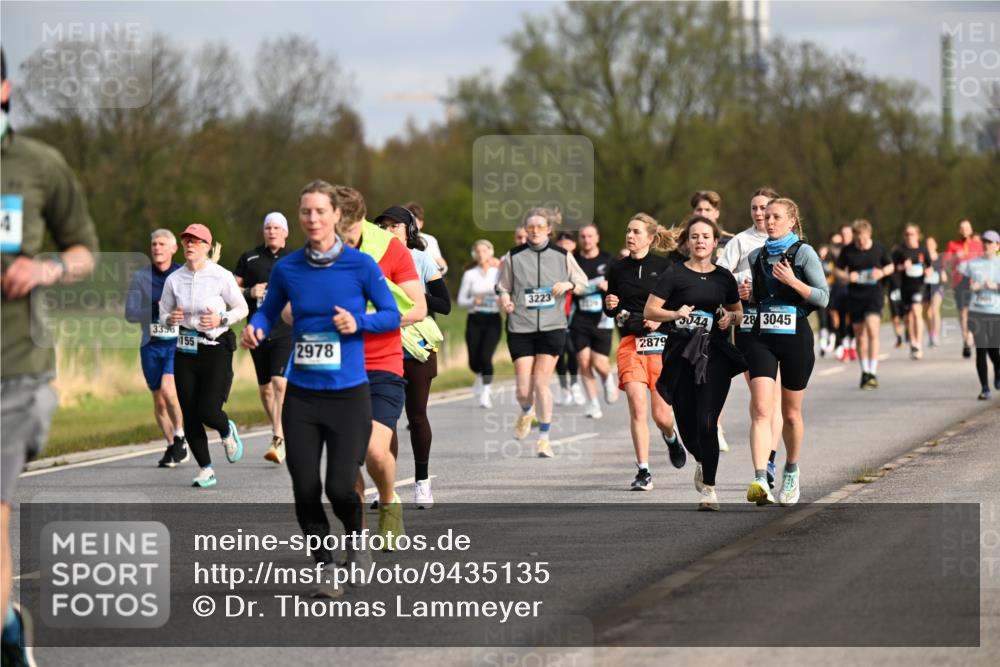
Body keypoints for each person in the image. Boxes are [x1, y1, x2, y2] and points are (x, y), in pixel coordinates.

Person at [242, 181, 400, 595]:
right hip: (303, 396)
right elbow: (269, 313)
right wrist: (254, 330)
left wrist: (359, 323)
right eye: (306, 212)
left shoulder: (361, 266)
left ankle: (356, 540)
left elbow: (390, 315)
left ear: (335, 216)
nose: (312, 219)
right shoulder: (288, 268)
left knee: (339, 486)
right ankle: (325, 565)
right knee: (306, 487)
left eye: (320, 211)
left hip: (349, 395)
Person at [1, 46, 99, 664]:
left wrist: (45, 266)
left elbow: (85, 248)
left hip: (14, 371)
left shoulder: (37, 165)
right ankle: (9, 625)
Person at [335, 190, 426, 547]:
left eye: (344, 223)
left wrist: (366, 322)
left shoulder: (390, 249)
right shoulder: (320, 253)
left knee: (375, 451)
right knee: (347, 459)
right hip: (337, 366)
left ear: (358, 219)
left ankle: (389, 500)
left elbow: (418, 309)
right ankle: (356, 537)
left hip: (381, 362)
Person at [644, 216, 745, 510]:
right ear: (687, 242)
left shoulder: (723, 277)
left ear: (715, 242)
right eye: (695, 236)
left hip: (713, 353)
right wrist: (675, 315)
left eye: (705, 236)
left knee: (707, 421)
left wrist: (729, 318)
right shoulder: (674, 274)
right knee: (687, 424)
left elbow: (736, 313)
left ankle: (710, 490)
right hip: (680, 354)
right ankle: (701, 459)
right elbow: (652, 309)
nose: (700, 241)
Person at [742, 198, 829, 507]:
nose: (769, 222)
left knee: (790, 413)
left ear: (791, 221)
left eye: (776, 217)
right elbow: (756, 300)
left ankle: (791, 470)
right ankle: (760, 477)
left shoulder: (804, 253)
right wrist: (748, 296)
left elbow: (823, 297)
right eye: (766, 217)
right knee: (762, 409)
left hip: (795, 337)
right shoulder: (756, 256)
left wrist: (793, 281)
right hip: (762, 337)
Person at [159, 224, 248, 487]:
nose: (189, 245)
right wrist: (170, 318)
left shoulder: (220, 276)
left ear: (207, 247)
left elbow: (241, 308)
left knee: (208, 410)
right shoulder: (174, 279)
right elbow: (163, 314)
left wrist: (221, 318)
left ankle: (225, 428)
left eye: (196, 241)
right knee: (189, 413)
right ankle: (206, 469)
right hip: (185, 349)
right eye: (186, 240)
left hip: (215, 348)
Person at [496, 207, 588, 457]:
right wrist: (505, 300)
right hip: (520, 327)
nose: (535, 231)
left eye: (540, 226)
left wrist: (567, 284)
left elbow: (582, 283)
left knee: (540, 382)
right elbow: (502, 287)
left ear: (549, 229)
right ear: (525, 230)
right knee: (523, 390)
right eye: (530, 226)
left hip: (552, 327)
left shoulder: (562, 255)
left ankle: (544, 439)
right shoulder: (513, 256)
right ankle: (527, 412)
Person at [376, 205, 451, 509]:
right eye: (383, 226)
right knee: (384, 420)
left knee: (416, 415)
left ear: (409, 230)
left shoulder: (421, 259)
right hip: (381, 346)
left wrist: (413, 297)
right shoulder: (370, 261)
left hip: (416, 346)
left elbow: (444, 304)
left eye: (395, 225)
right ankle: (387, 487)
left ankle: (422, 482)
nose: (389, 230)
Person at [603, 213, 682, 490]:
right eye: (628, 231)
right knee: (637, 406)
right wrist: (610, 303)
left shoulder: (664, 267)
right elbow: (611, 307)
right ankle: (644, 471)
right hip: (630, 343)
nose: (630, 236)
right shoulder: (617, 267)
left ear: (650, 238)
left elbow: (677, 304)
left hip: (661, 343)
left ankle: (671, 437)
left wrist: (660, 318)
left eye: (636, 232)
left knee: (661, 416)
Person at [717, 186, 784, 488]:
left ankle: (769, 460)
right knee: (761, 402)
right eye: (755, 208)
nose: (760, 214)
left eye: (765, 209)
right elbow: (718, 276)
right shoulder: (740, 242)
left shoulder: (787, 243)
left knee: (776, 400)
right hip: (748, 324)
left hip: (782, 325)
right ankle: (763, 465)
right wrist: (738, 289)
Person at [124, 229, 186, 467]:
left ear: (173, 249)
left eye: (162, 244)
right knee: (159, 401)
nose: (157, 248)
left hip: (175, 344)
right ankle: (172, 445)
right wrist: (159, 312)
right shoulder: (141, 277)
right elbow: (130, 313)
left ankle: (180, 436)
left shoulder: (182, 274)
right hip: (150, 345)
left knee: (169, 390)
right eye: (153, 244)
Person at [234, 212, 292, 463]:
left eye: (277, 228)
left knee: (280, 383)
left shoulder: (294, 260)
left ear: (286, 232)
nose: (272, 232)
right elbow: (231, 290)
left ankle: (279, 437)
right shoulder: (249, 258)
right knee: (266, 389)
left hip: (285, 328)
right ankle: (277, 429)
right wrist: (249, 290)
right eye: (268, 227)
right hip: (258, 330)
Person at [835, 219, 894, 390]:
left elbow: (890, 266)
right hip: (855, 296)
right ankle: (865, 371)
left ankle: (873, 372)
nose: (860, 242)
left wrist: (881, 272)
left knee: (872, 330)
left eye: (863, 238)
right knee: (860, 335)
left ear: (869, 235)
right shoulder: (848, 250)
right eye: (857, 238)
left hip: (874, 294)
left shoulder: (878, 248)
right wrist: (847, 277)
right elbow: (837, 270)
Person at [571, 223, 618, 418]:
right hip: (579, 317)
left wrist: (609, 286)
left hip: (602, 318)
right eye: (582, 236)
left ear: (597, 238)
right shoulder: (572, 260)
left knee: (599, 363)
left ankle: (607, 379)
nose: (586, 240)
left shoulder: (608, 260)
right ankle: (593, 404)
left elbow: (619, 286)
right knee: (583, 360)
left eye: (590, 236)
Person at [458, 240, 501, 408]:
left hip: (493, 319)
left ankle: (486, 392)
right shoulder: (470, 275)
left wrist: (500, 299)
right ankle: (478, 375)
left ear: (490, 253)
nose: (481, 254)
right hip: (475, 319)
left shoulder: (497, 273)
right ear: (474, 255)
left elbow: (506, 292)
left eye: (484, 251)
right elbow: (461, 300)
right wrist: (473, 300)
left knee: (486, 356)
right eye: (478, 251)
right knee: (474, 361)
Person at [958, 230, 1000, 399]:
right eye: (984, 242)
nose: (986, 245)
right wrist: (970, 288)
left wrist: (995, 287)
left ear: (997, 245)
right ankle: (985, 388)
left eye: (990, 242)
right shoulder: (973, 264)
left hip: (995, 312)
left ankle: (998, 369)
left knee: (994, 350)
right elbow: (961, 285)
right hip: (977, 311)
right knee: (981, 349)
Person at [944, 219, 984, 358]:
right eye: (961, 228)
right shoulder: (953, 245)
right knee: (963, 313)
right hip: (959, 282)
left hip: (975, 283)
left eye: (966, 228)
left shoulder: (978, 245)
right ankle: (966, 340)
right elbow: (946, 263)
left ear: (971, 230)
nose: (964, 231)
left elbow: (989, 259)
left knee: (975, 311)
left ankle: (972, 335)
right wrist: (955, 257)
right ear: (958, 231)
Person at [554, 231, 584, 406]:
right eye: (561, 244)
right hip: (559, 314)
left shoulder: (578, 263)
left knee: (573, 352)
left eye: (568, 243)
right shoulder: (552, 263)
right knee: (560, 352)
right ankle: (565, 387)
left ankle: (574, 385)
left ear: (573, 245)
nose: (564, 247)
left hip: (578, 315)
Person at [892, 223, 930, 360]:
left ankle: (918, 343)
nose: (909, 236)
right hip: (904, 286)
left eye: (912, 234)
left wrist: (928, 271)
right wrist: (902, 267)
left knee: (916, 311)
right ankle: (913, 341)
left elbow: (930, 266)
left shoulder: (923, 250)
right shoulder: (899, 251)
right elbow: (892, 268)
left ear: (918, 235)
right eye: (907, 234)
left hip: (919, 285)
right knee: (907, 318)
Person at [831, 223, 857, 363]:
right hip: (838, 287)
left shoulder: (856, 249)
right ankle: (841, 344)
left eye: (848, 234)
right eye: (844, 234)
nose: (846, 237)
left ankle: (850, 346)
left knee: (850, 318)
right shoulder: (836, 250)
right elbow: (832, 268)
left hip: (853, 288)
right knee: (837, 318)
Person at [405, 201, 447, 276]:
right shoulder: (400, 239)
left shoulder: (430, 240)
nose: (412, 226)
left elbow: (440, 262)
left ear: (421, 224)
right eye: (409, 222)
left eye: (415, 223)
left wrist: (440, 271)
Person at [923, 236, 946, 347]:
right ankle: (931, 334)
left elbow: (944, 270)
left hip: (937, 286)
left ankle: (935, 334)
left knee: (934, 309)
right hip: (925, 287)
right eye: (927, 244)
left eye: (931, 243)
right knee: (926, 313)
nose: (929, 246)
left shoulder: (940, 258)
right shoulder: (922, 258)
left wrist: (943, 274)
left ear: (935, 245)